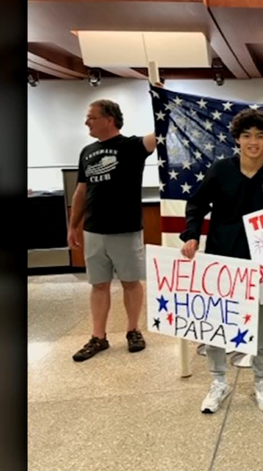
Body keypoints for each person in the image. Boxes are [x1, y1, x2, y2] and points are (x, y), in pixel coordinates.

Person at [179, 107, 263, 414]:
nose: (253, 141)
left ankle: (262, 383)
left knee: (262, 329)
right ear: (237, 139)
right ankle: (218, 382)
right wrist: (191, 235)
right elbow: (196, 204)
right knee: (215, 327)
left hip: (262, 266)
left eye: (260, 136)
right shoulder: (221, 169)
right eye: (246, 135)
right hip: (221, 262)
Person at [68, 99, 156, 362]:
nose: (87, 122)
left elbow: (161, 133)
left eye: (91, 117)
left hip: (125, 230)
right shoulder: (87, 151)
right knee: (99, 285)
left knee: (131, 282)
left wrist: (159, 99)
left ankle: (133, 330)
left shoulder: (131, 146)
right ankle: (98, 337)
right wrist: (73, 225)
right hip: (94, 231)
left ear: (109, 119)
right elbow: (81, 190)